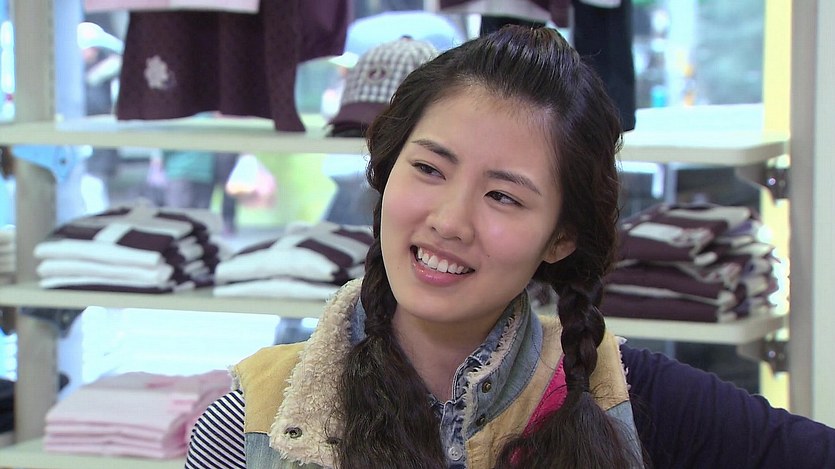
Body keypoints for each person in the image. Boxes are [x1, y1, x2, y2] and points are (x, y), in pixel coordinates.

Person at [187, 25, 642, 469]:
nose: (449, 222)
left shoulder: (627, 396)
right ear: (387, 170)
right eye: (428, 168)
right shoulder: (246, 427)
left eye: (503, 196)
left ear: (561, 238)